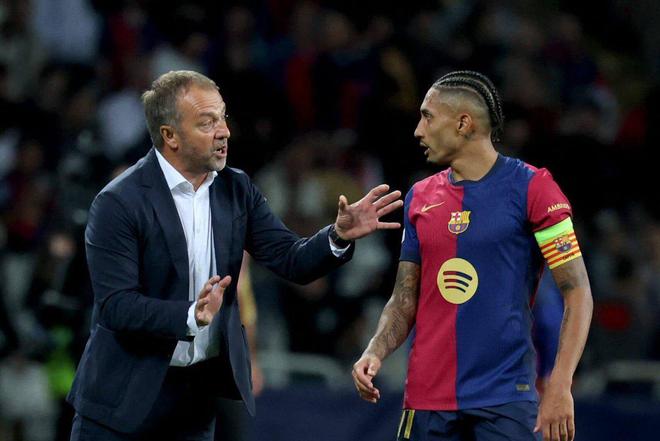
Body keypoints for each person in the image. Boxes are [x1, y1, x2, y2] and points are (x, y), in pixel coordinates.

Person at [67, 70, 403, 441]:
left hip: (193, 405)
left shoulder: (236, 189)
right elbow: (116, 306)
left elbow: (290, 259)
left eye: (223, 117)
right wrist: (189, 315)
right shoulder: (119, 202)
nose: (224, 131)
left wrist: (337, 236)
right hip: (120, 405)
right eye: (207, 122)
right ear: (170, 136)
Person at [352, 70, 593, 441]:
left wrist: (560, 384)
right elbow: (404, 298)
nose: (418, 130)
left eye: (428, 117)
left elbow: (578, 292)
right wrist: (375, 350)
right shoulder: (419, 197)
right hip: (427, 400)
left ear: (463, 123)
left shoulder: (534, 188)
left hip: (505, 399)